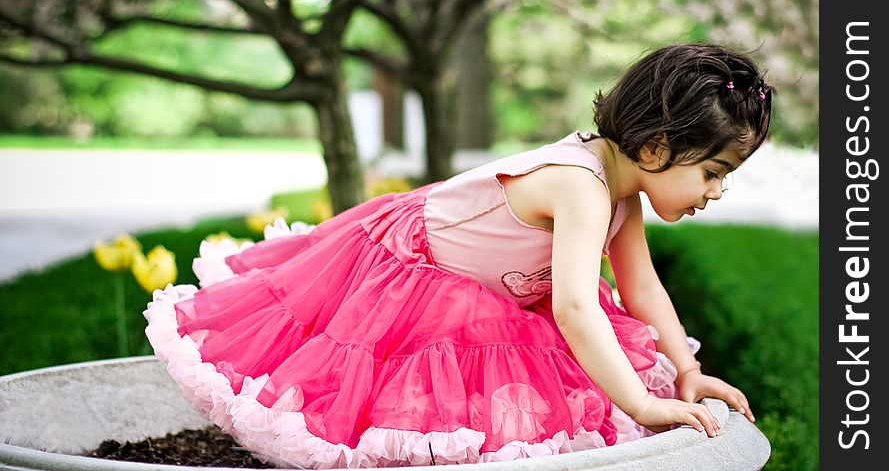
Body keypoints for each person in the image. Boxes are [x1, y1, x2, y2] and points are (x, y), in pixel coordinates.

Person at [144, 43, 771, 469]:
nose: (716, 193)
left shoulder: (622, 187)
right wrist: (640, 400)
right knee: (373, 396)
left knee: (504, 399)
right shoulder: (580, 182)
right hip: (415, 273)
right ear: (657, 147)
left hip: (492, 291)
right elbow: (577, 305)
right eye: (713, 172)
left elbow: (642, 290)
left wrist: (682, 367)